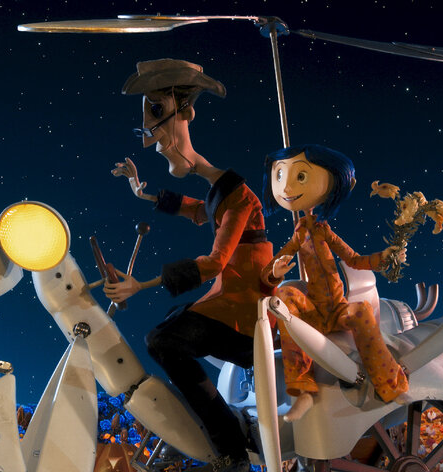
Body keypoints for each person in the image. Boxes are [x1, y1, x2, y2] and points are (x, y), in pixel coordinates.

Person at [105, 59, 273, 472]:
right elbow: (199, 210)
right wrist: (143, 193)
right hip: (229, 303)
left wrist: (140, 285)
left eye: (157, 113)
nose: (152, 138)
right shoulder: (223, 194)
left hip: (247, 316)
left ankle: (231, 446)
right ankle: (226, 432)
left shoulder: (240, 199)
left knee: (163, 340)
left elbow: (215, 263)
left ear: (186, 114)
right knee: (166, 334)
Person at [260, 144, 410, 422]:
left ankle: (391, 384)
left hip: (338, 309)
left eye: (301, 176)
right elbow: (277, 262)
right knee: (285, 296)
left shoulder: (324, 231)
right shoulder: (299, 234)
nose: (289, 188)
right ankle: (302, 389)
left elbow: (354, 259)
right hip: (314, 311)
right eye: (281, 175)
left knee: (362, 311)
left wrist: (384, 257)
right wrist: (276, 271)